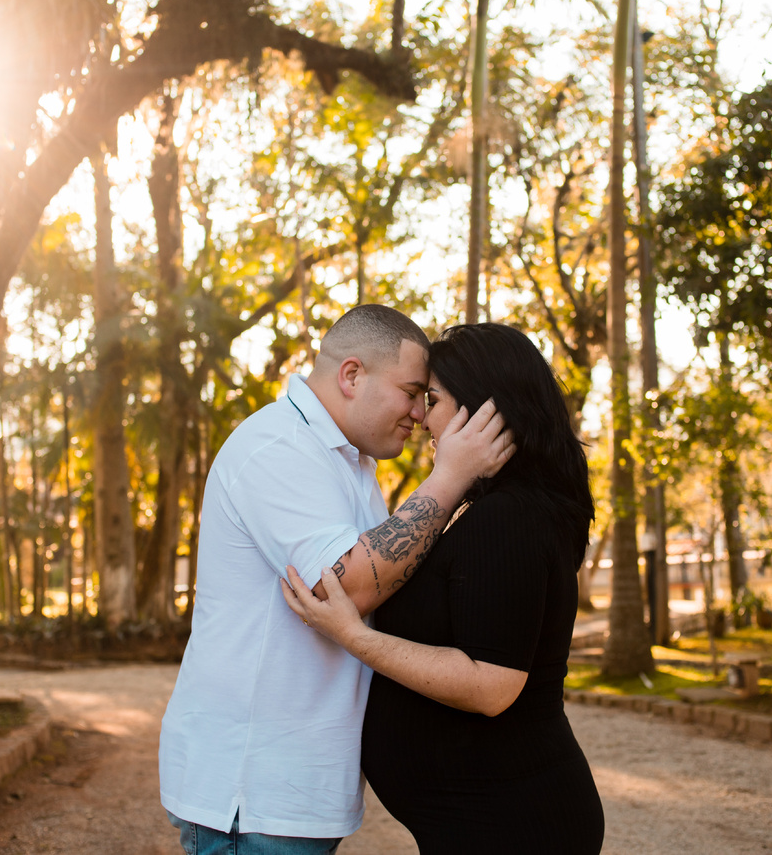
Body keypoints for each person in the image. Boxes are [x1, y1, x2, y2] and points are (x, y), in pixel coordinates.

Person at [160, 305, 515, 855]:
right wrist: (451, 475)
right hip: (254, 796)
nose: (420, 414)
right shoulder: (278, 447)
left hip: (292, 795)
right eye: (411, 392)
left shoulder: (347, 462)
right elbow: (344, 589)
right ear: (352, 375)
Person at [282, 322, 606, 855]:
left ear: (481, 410)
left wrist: (352, 636)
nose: (422, 417)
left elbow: (491, 685)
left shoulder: (511, 518)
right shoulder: (494, 509)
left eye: (432, 400)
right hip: (487, 821)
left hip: (513, 824)